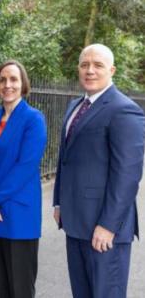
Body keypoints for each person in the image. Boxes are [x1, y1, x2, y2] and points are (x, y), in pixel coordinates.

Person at [53, 44, 144, 298]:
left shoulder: (124, 110)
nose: (89, 70)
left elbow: (127, 176)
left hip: (104, 230)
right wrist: (59, 202)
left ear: (112, 70)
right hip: (75, 223)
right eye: (84, 65)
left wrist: (108, 225)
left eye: (98, 65)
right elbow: (65, 160)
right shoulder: (74, 106)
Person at [0, 60, 47, 298]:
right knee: (2, 286)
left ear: (23, 84)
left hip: (19, 213)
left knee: (21, 288)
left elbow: (25, 168)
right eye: (3, 79)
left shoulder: (33, 120)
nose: (8, 85)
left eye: (14, 79)